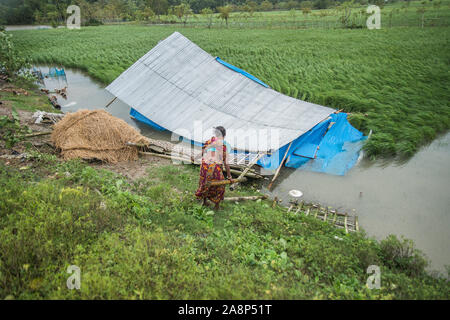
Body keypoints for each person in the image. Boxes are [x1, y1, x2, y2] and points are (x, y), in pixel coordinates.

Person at [195, 126, 232, 210]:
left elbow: (202, 152)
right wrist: (229, 176)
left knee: (204, 183)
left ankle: (204, 202)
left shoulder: (210, 141)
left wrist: (195, 158)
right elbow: (226, 163)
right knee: (220, 186)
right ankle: (216, 206)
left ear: (215, 133)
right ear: (224, 135)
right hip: (214, 168)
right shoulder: (223, 146)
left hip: (204, 167)